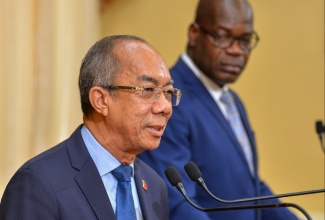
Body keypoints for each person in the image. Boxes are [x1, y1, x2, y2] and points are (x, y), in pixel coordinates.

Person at [138, 0, 299, 219]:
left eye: (245, 40)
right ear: (194, 33)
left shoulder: (231, 100)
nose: (235, 51)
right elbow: (178, 203)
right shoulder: (170, 100)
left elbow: (251, 188)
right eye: (222, 37)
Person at [0, 35, 182, 219]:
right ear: (101, 100)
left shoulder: (155, 186)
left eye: (167, 92)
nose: (165, 107)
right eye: (148, 90)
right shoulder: (39, 184)